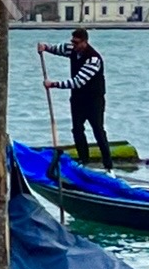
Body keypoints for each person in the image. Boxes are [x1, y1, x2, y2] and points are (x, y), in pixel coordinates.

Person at [38, 29, 109, 166]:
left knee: (98, 131)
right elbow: (58, 49)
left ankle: (108, 165)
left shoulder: (93, 59)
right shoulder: (72, 50)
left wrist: (53, 84)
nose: (73, 45)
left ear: (84, 42)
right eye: (72, 42)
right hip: (77, 99)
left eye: (76, 43)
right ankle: (84, 161)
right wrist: (45, 47)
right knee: (77, 129)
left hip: (94, 100)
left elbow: (78, 82)